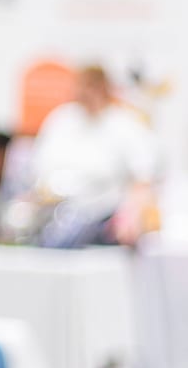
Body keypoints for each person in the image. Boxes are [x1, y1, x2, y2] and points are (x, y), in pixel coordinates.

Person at [25, 65, 158, 246]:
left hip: (101, 218)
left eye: (90, 87)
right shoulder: (61, 120)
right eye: (80, 86)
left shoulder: (125, 126)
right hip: (53, 213)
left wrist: (131, 216)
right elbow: (38, 168)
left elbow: (143, 179)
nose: (83, 93)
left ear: (103, 88)